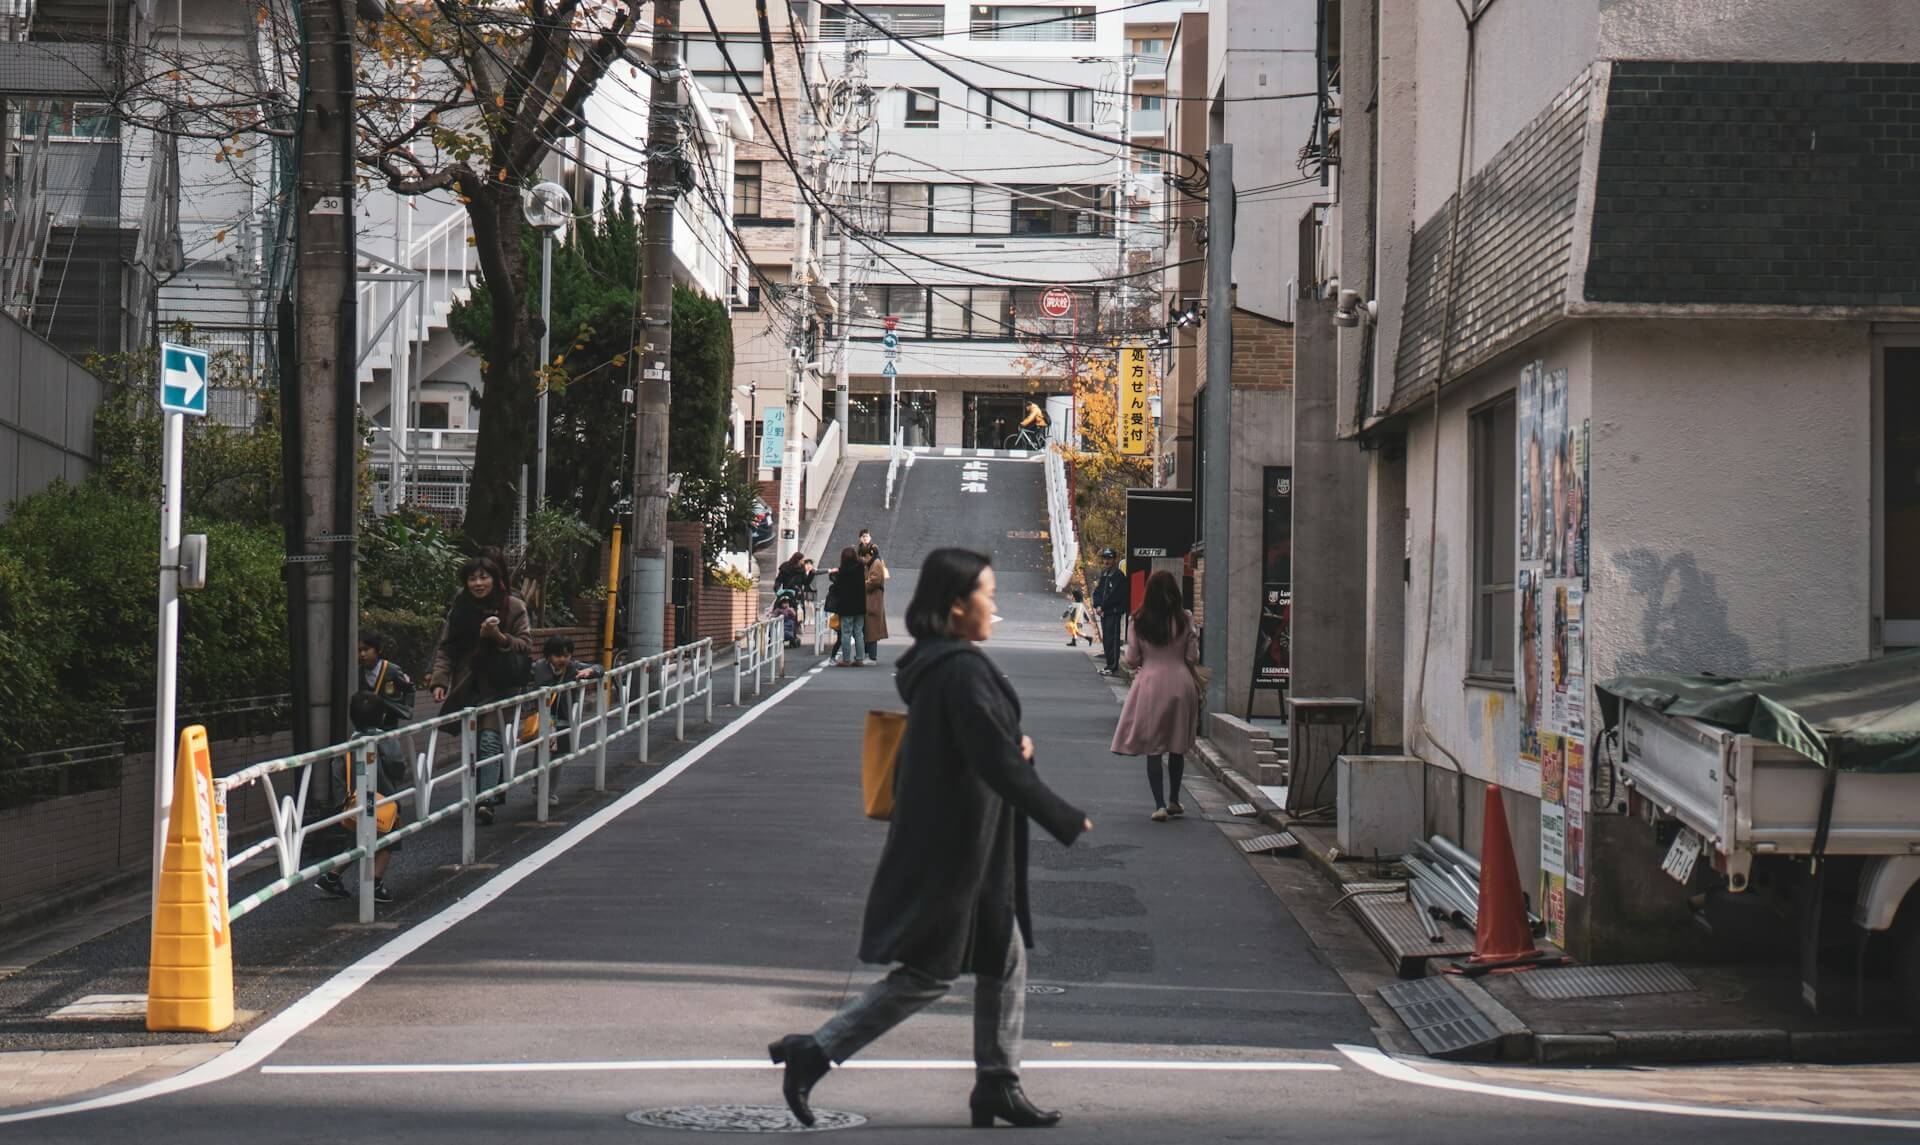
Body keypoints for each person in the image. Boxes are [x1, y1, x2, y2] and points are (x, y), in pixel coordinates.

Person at [767, 548, 1093, 1129]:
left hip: (970, 841)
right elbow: (991, 754)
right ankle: (815, 1051)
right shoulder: (959, 670)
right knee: (929, 974)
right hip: (955, 849)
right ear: (956, 606)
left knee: (1002, 956)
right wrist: (1062, 814)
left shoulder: (943, 662)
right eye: (987, 595)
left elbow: (979, 743)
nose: (995, 606)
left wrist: (1009, 745)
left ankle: (998, 1081)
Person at [428, 556, 533, 825]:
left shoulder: (513, 606)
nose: (478, 583)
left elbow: (525, 644)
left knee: (489, 740)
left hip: (502, 683)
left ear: (495, 580)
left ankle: (485, 800)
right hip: (469, 684)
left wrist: (499, 637)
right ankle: (489, 789)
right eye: (472, 578)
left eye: (483, 577)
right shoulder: (459, 609)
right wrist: (439, 680)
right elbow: (447, 648)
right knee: (474, 744)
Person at [1110, 570, 1201, 822]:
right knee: (1177, 745)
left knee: (1154, 747)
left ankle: (1159, 805)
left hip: (1150, 683)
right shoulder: (1185, 618)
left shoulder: (1138, 620)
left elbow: (1131, 659)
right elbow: (1192, 656)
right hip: (1181, 683)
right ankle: (1174, 800)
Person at [316, 690, 413, 903]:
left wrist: (342, 801)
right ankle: (374, 883)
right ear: (382, 715)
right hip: (384, 800)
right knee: (388, 840)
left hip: (357, 802)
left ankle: (331, 877)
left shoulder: (350, 742)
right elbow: (397, 765)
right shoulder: (384, 739)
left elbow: (337, 770)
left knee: (358, 840)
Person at [533, 634, 603, 759]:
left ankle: (554, 772)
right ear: (549, 655)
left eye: (566, 656)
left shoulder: (572, 667)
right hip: (542, 719)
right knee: (540, 757)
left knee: (559, 757)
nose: (562, 659)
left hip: (563, 719)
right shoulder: (539, 667)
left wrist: (590, 671)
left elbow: (600, 669)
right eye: (558, 656)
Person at [356, 631, 415, 729]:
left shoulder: (392, 670)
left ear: (378, 649)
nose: (362, 654)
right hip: (366, 727)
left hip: (389, 726)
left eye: (366, 649)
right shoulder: (357, 672)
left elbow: (409, 689)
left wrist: (406, 710)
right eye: (359, 650)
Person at [826, 547, 869, 666]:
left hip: (846, 606)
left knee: (846, 633)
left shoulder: (842, 571)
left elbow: (837, 588)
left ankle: (846, 659)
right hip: (860, 605)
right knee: (859, 632)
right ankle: (859, 659)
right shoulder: (860, 568)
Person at [1089, 548, 1128, 675]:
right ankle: (1109, 665)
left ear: (1114, 560)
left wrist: (1102, 607)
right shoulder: (1105, 574)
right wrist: (1097, 605)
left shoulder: (1118, 576)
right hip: (1104, 612)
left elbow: (1114, 595)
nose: (1106, 561)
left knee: (1113, 639)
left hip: (1114, 612)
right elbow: (1097, 592)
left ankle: (1113, 667)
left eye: (1109, 559)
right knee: (1106, 639)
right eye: (1105, 558)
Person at [861, 544, 889, 664]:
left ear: (870, 554)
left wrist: (861, 584)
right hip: (872, 599)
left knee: (872, 629)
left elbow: (874, 581)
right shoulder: (872, 563)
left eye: (865, 556)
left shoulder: (876, 563)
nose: (864, 559)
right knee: (869, 629)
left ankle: (872, 657)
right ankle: (869, 655)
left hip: (873, 600)